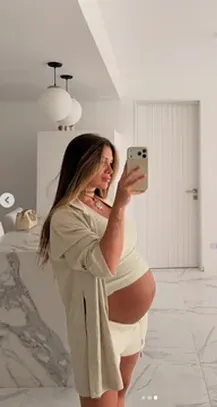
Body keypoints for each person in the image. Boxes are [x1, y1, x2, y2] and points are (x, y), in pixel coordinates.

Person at [38, 133, 156, 407]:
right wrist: (122, 205)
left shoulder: (103, 203)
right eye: (103, 162)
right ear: (82, 163)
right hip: (103, 329)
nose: (110, 170)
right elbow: (104, 263)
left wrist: (117, 204)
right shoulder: (65, 216)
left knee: (121, 394)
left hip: (134, 324)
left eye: (112, 163)